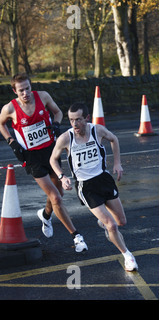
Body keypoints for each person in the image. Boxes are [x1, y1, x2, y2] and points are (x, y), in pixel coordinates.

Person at [0, 73, 87, 252]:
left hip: (51, 152)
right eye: (21, 90)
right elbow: (1, 124)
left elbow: (58, 112)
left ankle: (46, 215)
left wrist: (56, 123)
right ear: (14, 91)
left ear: (31, 86)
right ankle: (76, 236)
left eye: (27, 88)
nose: (25, 93)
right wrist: (11, 141)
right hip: (31, 158)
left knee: (59, 194)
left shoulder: (43, 96)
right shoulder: (10, 108)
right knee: (55, 197)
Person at [49, 102, 138, 272]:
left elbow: (114, 139)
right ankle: (128, 256)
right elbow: (53, 159)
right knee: (112, 225)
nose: (74, 124)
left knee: (121, 222)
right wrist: (62, 177)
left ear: (87, 118)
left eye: (78, 120)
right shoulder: (66, 138)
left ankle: (103, 223)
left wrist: (117, 163)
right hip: (86, 186)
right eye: (71, 120)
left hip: (103, 179)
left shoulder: (97, 130)